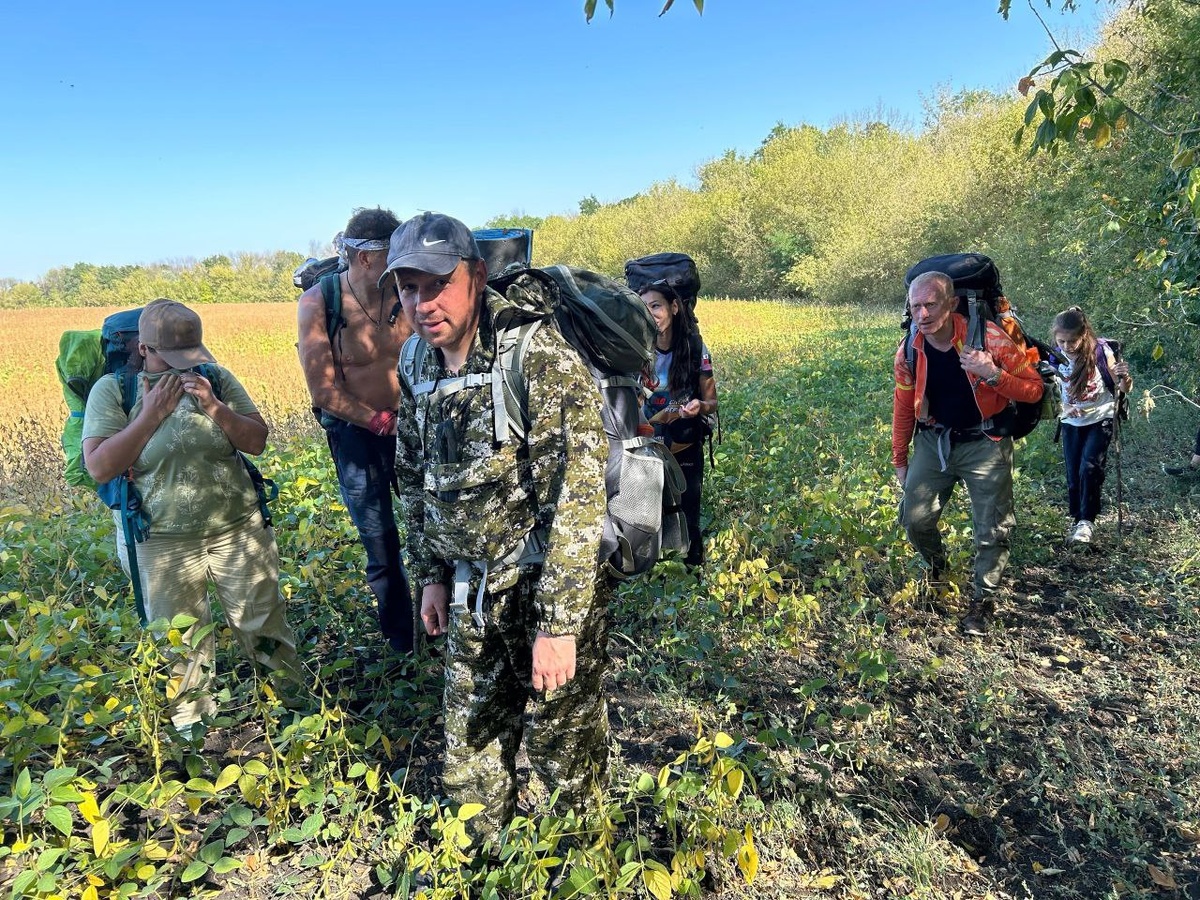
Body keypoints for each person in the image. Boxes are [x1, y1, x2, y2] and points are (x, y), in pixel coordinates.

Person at [386, 212, 609, 843]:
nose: (422, 303)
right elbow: (412, 474)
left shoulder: (537, 354)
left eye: (437, 284)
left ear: (476, 276)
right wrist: (430, 576)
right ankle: (488, 865)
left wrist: (560, 627)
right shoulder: (416, 361)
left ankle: (581, 868)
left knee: (566, 753)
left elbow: (580, 497)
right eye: (407, 288)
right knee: (469, 757)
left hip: (544, 586)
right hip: (469, 594)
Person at [82, 299, 303, 739]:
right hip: (160, 540)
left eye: (190, 357)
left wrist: (215, 407)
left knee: (263, 621)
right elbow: (100, 467)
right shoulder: (113, 391)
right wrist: (150, 415)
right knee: (182, 641)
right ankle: (194, 732)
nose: (181, 368)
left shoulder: (215, 379)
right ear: (143, 348)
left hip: (237, 529)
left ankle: (297, 709)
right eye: (169, 357)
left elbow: (256, 440)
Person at [891, 271, 1044, 636]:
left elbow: (1034, 391)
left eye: (931, 304)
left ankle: (982, 602)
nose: (923, 315)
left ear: (951, 304)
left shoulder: (990, 340)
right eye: (916, 307)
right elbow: (903, 406)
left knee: (991, 528)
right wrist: (900, 459)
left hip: (985, 442)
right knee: (915, 519)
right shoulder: (909, 350)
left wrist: (993, 375)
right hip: (934, 441)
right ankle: (938, 569)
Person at [297, 207, 415, 654]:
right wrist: (380, 422)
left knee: (438, 525)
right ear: (365, 257)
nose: (404, 261)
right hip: (356, 436)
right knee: (380, 540)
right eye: (394, 252)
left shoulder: (408, 293)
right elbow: (323, 390)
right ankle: (402, 644)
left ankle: (447, 624)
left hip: (417, 430)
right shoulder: (318, 303)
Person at [636, 283, 718, 567]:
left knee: (688, 513)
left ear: (673, 307)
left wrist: (699, 407)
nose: (651, 313)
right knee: (647, 515)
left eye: (656, 305)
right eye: (644, 307)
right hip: (647, 447)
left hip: (684, 444)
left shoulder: (694, 347)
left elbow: (711, 401)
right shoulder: (636, 350)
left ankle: (691, 572)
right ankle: (652, 574)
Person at [1049, 307, 1132, 543]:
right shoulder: (1054, 357)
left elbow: (1123, 389)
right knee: (1074, 474)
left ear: (1083, 335)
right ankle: (1077, 519)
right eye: (1061, 341)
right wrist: (1063, 409)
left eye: (1072, 340)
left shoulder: (1101, 353)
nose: (1067, 346)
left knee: (1090, 468)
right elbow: (1048, 394)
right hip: (1070, 421)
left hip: (1101, 418)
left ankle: (1087, 521)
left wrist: (1124, 376)